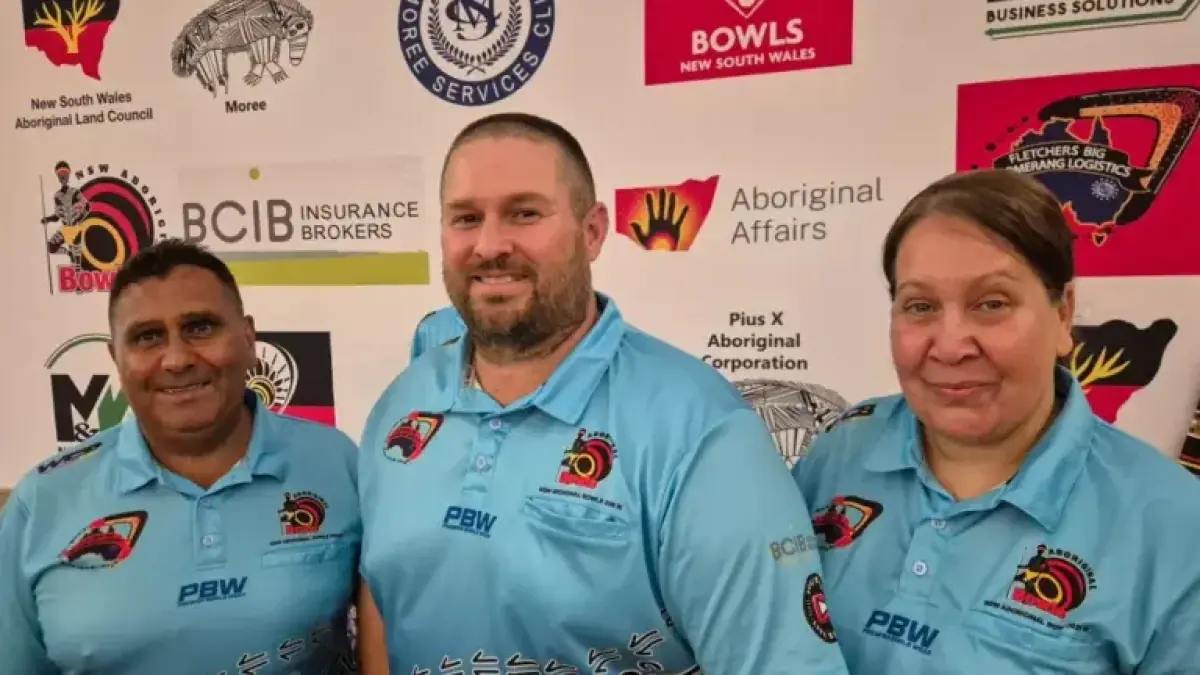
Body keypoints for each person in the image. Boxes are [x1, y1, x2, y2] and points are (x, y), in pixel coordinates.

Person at [354, 112, 849, 675]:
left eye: (525, 213)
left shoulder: (700, 431)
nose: (490, 245)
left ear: (591, 232)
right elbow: (382, 593)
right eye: (466, 218)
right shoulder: (401, 404)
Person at [791, 169, 1200, 673]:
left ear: (1063, 315)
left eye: (992, 304)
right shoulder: (839, 451)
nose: (951, 346)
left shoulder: (1175, 529)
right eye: (920, 306)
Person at [0, 239, 360, 674]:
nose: (176, 359)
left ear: (248, 339)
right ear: (117, 358)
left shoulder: (337, 464)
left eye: (200, 328)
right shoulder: (41, 501)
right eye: (147, 337)